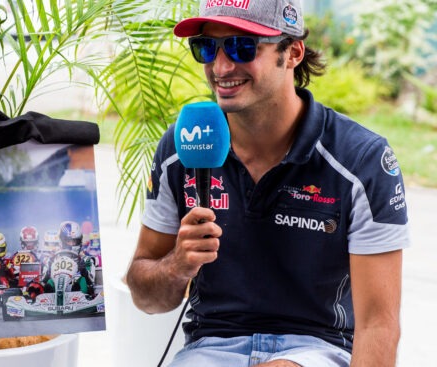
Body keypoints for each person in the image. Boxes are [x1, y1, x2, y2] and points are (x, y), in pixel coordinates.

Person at [125, 1, 409, 367]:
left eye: (243, 46)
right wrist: (177, 265)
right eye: (207, 48)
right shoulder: (182, 146)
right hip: (209, 349)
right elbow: (147, 298)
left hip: (317, 349)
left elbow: (379, 326)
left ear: (292, 52)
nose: (221, 67)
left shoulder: (361, 160)